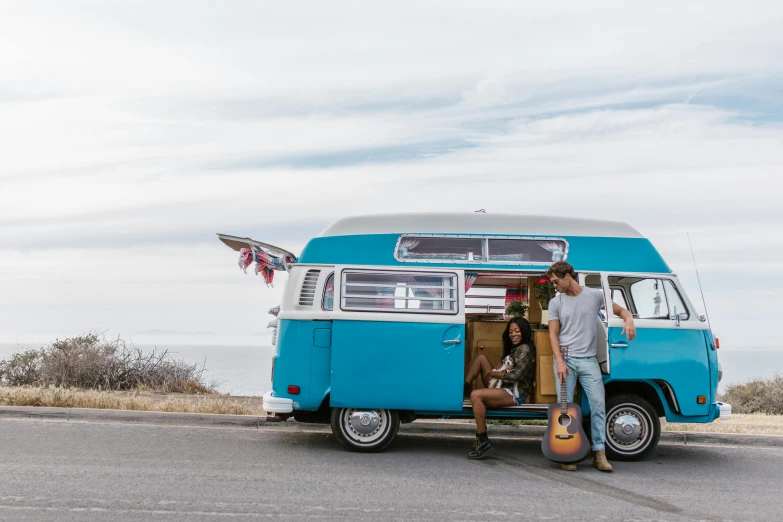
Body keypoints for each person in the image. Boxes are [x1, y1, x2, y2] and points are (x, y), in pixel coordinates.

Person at [546, 260, 636, 472]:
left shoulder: (595, 296)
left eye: (556, 281)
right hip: (565, 359)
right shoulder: (556, 302)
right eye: (552, 283)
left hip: (588, 360)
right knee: (564, 407)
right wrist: (559, 361)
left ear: (568, 275)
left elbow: (621, 311)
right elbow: (553, 334)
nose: (554, 285)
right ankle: (567, 451)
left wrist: (629, 319)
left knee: (598, 405)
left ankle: (599, 453)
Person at [462, 317, 536, 459]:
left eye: (517, 331)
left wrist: (495, 373)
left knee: (476, 395)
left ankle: (483, 440)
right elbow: (508, 369)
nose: (513, 334)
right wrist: (500, 366)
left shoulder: (525, 349)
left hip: (514, 393)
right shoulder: (516, 348)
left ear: (524, 331)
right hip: (502, 386)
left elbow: (515, 376)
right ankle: (463, 387)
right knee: (481, 358)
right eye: (510, 332)